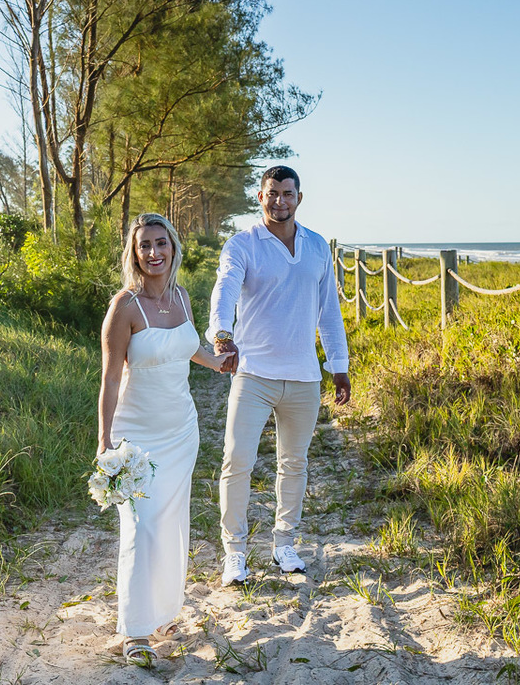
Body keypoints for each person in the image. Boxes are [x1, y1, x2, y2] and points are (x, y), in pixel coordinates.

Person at [207, 165, 351, 586]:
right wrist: (221, 334)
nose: (280, 200)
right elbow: (225, 289)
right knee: (237, 461)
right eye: (272, 193)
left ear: (299, 198)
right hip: (253, 373)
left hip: (305, 376)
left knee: (294, 462)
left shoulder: (317, 246)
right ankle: (234, 553)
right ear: (260, 196)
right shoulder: (242, 245)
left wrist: (338, 366)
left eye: (288, 193)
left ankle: (284, 544)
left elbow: (329, 310)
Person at [98, 213, 231, 666]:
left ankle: (160, 614)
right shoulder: (125, 307)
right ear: (134, 254)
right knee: (142, 525)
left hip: (182, 430)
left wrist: (219, 363)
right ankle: (133, 631)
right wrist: (104, 443)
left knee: (172, 523)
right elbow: (110, 379)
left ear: (173, 247)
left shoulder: (180, 297)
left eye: (161, 244)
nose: (153, 253)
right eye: (144, 246)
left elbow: (187, 347)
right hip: (137, 435)